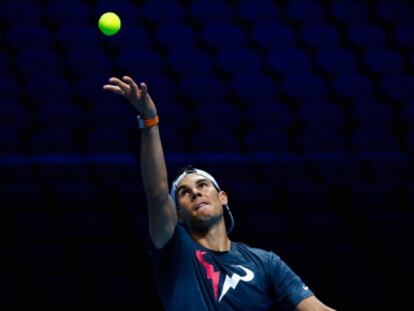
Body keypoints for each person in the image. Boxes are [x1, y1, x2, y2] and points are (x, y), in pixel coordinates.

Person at [103, 76, 336, 311]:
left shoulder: (265, 263)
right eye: (184, 192)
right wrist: (150, 121)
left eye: (203, 185)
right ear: (178, 215)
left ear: (222, 197)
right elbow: (156, 194)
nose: (195, 193)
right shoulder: (174, 251)